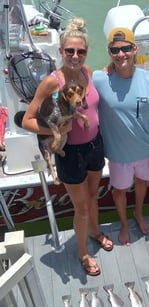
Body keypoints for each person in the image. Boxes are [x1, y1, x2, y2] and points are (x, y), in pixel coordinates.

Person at [22, 17, 113, 276]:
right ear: (61, 52)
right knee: (81, 207)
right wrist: (56, 130)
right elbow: (27, 120)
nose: (75, 56)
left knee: (94, 197)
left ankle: (95, 231)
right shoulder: (53, 81)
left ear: (86, 53)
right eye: (70, 51)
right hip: (70, 153)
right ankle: (83, 252)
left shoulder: (86, 72)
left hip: (95, 146)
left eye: (81, 51)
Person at [93, 27, 149, 245]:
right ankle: (124, 223)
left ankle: (139, 213)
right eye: (115, 50)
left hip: (145, 151)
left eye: (126, 48)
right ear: (109, 52)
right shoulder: (98, 79)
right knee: (119, 191)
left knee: (142, 183)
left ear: (135, 49)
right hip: (118, 155)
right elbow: (71, 76)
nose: (121, 54)